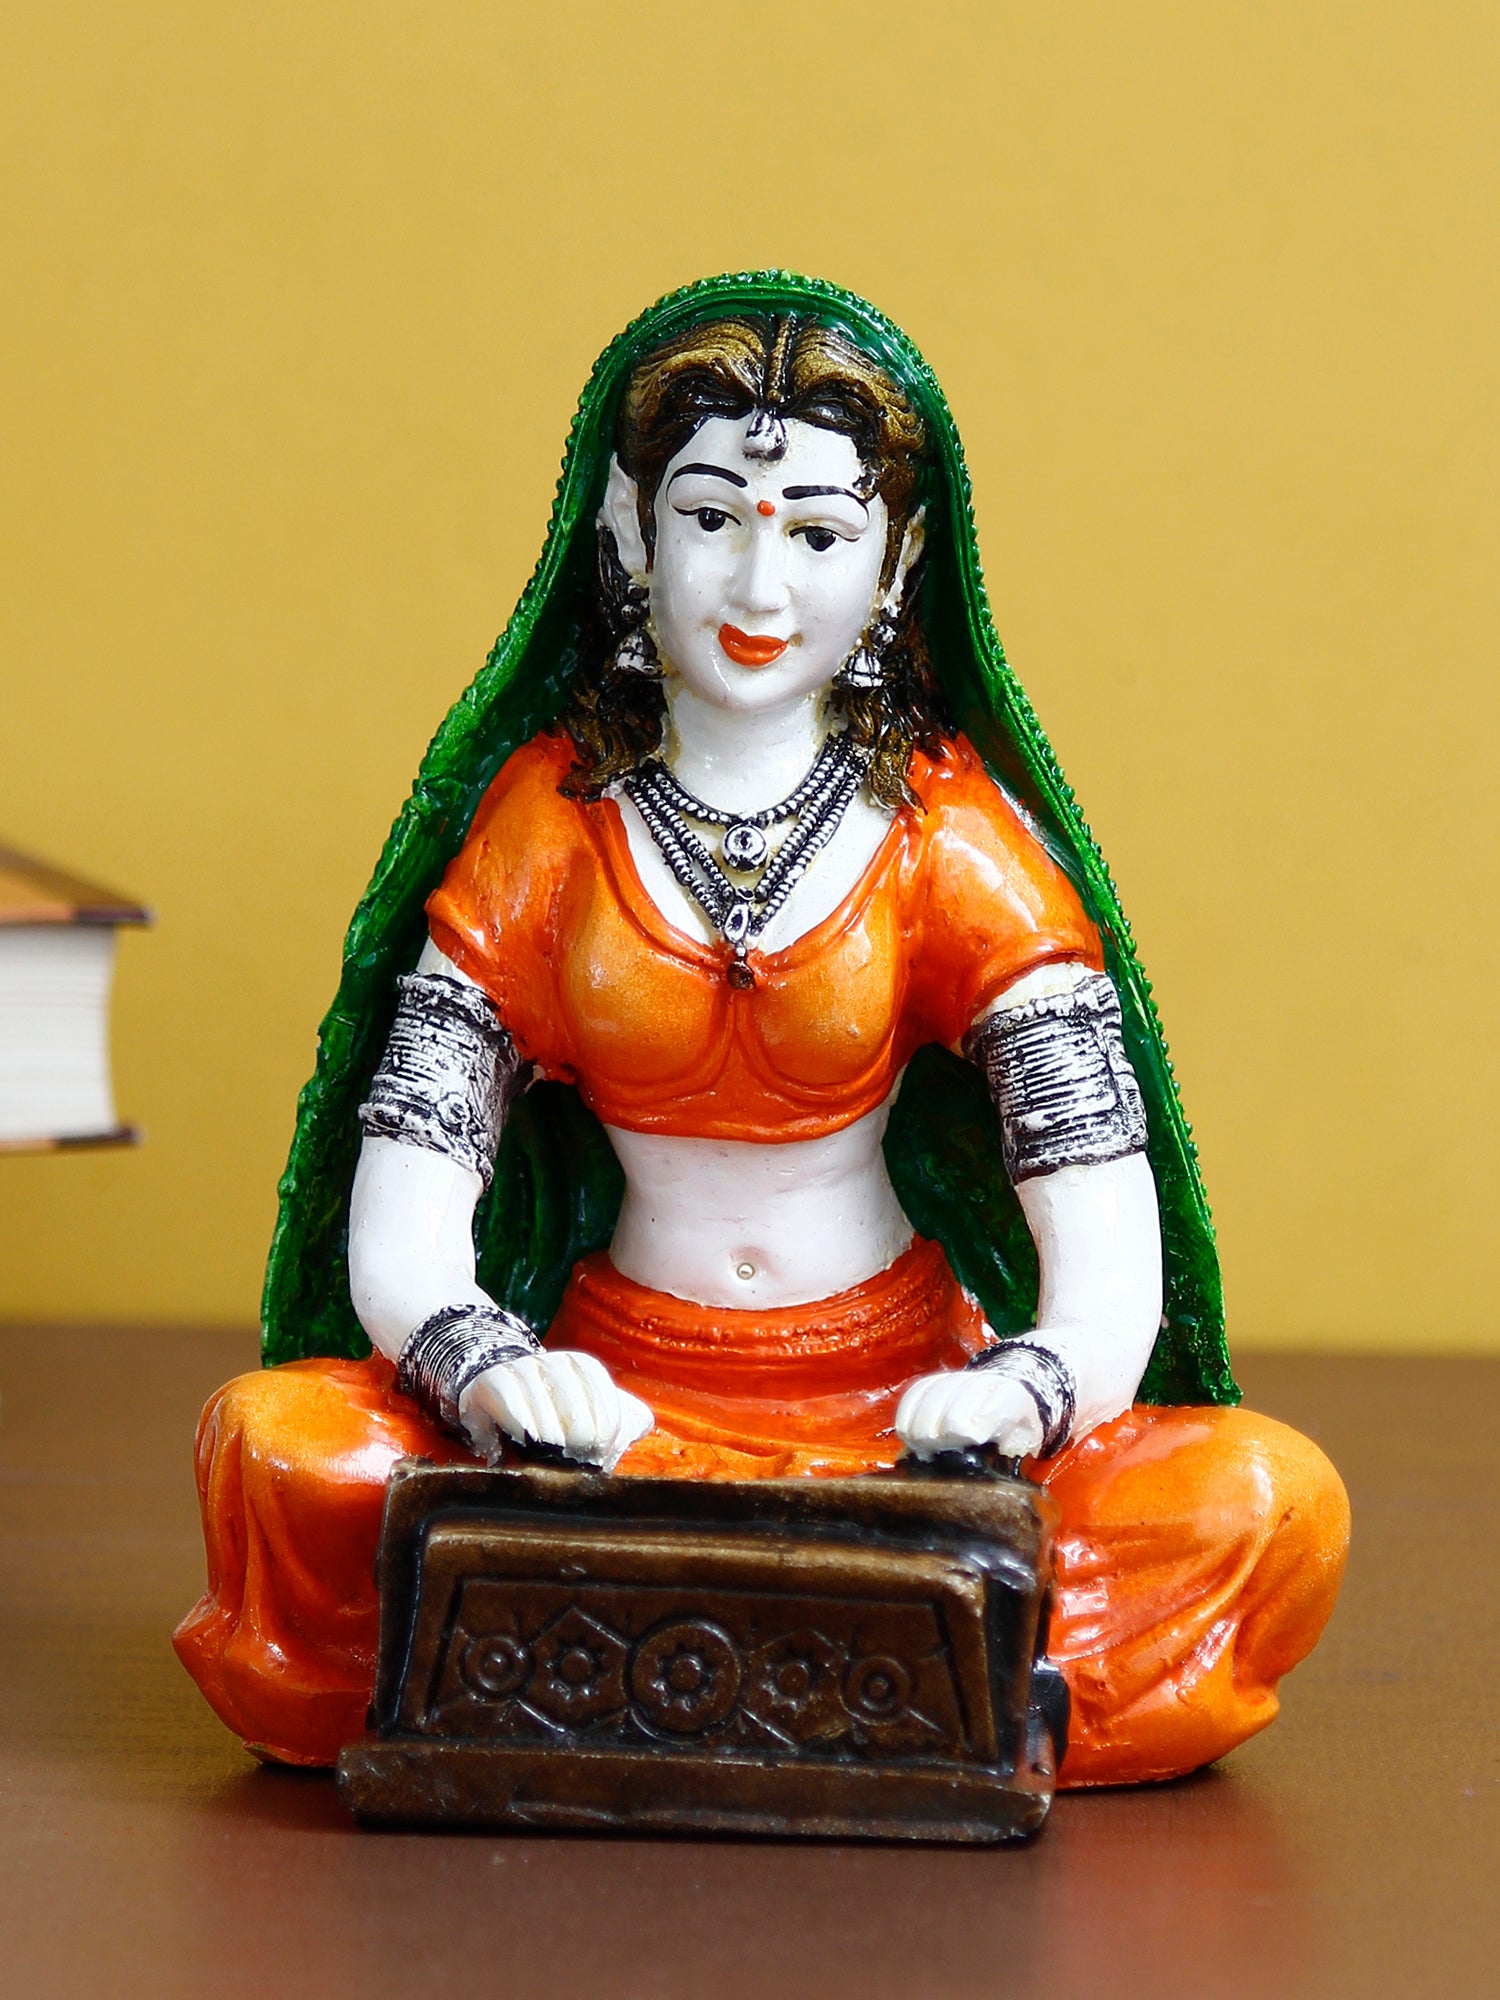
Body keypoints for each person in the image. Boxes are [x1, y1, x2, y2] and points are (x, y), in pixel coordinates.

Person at [175, 276, 1348, 1786]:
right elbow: (403, 1217)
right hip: (606, 1408)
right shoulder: (550, 822)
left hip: (900, 1412)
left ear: (899, 559)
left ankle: (636, 1668)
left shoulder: (944, 833)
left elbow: (1109, 1261)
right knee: (279, 1450)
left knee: (1260, 1500)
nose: (758, 586)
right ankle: (880, 1675)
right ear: (626, 531)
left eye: (817, 535)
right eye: (712, 518)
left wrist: (1029, 1390)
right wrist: (486, 1367)